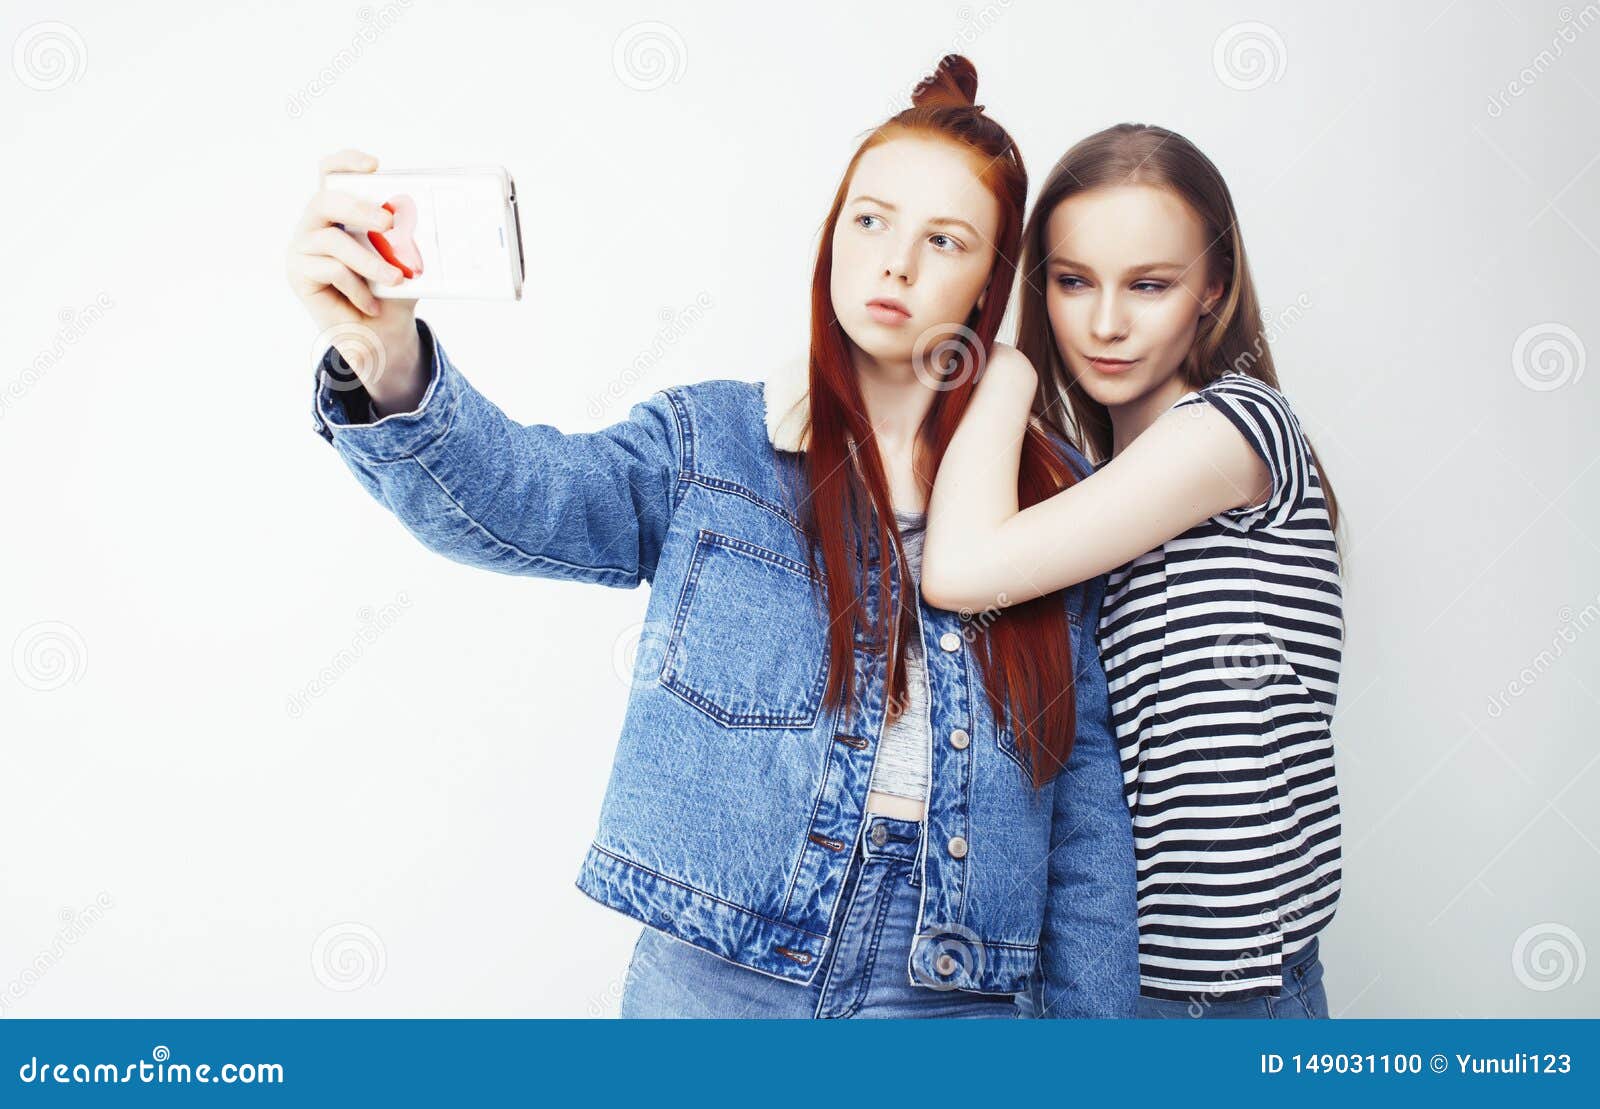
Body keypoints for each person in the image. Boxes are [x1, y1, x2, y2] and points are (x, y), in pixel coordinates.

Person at [285, 56, 1137, 1019]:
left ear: (991, 279)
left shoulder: (1059, 495)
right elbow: (521, 500)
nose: (896, 261)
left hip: (950, 994)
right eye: (871, 219)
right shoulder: (714, 445)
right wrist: (385, 355)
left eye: (946, 239)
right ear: (832, 236)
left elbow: (1089, 811)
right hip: (720, 978)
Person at [923, 124, 1343, 1019]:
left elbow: (958, 568)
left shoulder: (1239, 429)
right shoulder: (1091, 491)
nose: (1106, 323)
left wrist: (1003, 370)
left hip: (1228, 992)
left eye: (1149, 285)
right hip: (1105, 982)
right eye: (1074, 282)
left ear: (1213, 290)